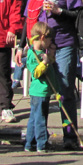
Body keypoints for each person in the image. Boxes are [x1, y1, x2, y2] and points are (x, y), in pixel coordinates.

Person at [33, 0, 83, 150]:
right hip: (41, 47)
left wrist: (59, 11)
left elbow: (79, 14)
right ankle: (40, 138)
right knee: (42, 91)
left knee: (64, 91)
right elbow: (28, 19)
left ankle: (70, 138)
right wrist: (23, 45)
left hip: (63, 45)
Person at [24, 21, 57, 153]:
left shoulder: (42, 51)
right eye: (50, 40)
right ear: (42, 38)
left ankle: (29, 143)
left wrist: (50, 56)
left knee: (34, 117)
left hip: (44, 90)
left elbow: (49, 66)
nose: (50, 43)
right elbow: (36, 73)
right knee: (40, 118)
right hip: (39, 92)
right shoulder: (32, 54)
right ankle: (41, 144)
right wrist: (44, 62)